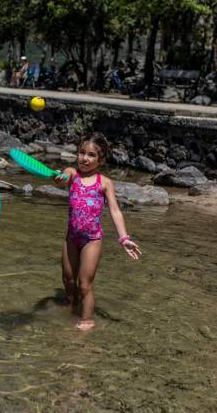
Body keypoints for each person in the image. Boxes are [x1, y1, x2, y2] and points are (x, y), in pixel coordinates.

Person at [54, 133, 142, 331]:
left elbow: (114, 210)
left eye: (91, 155)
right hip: (72, 238)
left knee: (84, 284)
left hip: (91, 240)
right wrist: (60, 178)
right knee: (68, 279)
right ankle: (72, 305)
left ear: (100, 160)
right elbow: (63, 177)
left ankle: (87, 319)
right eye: (82, 153)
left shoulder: (104, 182)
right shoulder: (72, 174)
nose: (85, 158)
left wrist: (124, 238)